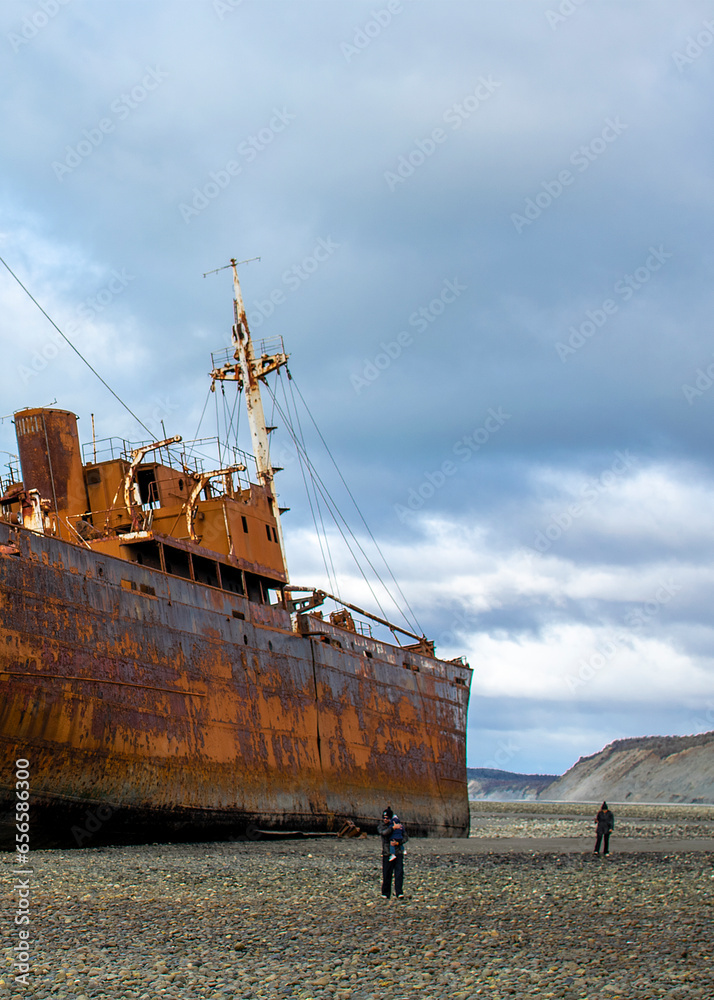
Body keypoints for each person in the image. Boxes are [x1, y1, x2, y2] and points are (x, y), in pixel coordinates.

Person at [378, 806, 407, 898]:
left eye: (387, 818)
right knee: (387, 874)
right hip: (387, 853)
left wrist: (398, 842)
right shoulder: (381, 826)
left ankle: (399, 892)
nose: (385, 820)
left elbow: (406, 837)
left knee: (399, 873)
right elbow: (383, 833)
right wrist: (393, 828)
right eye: (384, 818)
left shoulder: (399, 825)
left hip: (398, 853)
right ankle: (385, 893)